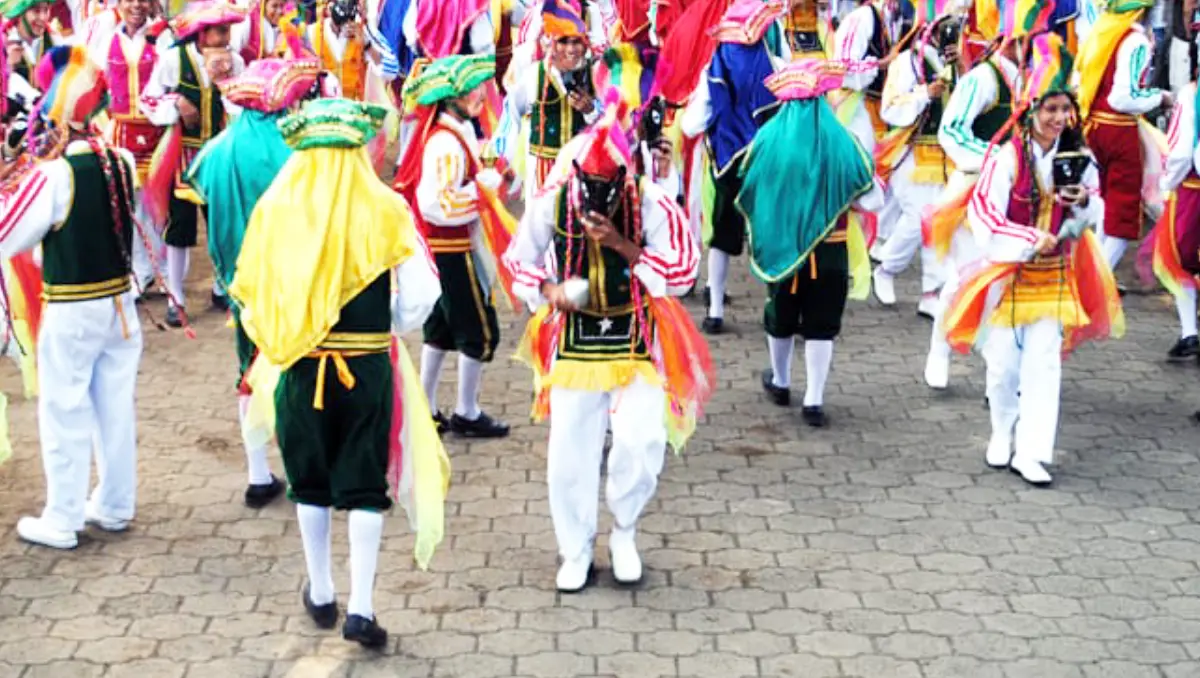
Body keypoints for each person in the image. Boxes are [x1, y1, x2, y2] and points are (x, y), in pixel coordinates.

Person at [228, 97, 446, 648]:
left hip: (300, 366)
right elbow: (423, 294)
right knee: (365, 484)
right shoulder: (386, 207)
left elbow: (249, 293)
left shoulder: (277, 208)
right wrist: (387, 322)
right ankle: (363, 609)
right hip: (367, 366)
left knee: (310, 480)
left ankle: (322, 592)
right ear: (357, 147)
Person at [504, 94, 704, 593]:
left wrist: (621, 244)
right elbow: (516, 259)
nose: (596, 194)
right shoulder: (552, 199)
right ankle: (575, 549)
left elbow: (683, 270)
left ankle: (625, 532)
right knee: (569, 450)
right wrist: (548, 291)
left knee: (641, 441)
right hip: (576, 343)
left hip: (637, 338)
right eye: (588, 184)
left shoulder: (650, 200)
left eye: (607, 185)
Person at [945, 32, 1122, 487]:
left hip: (1055, 275)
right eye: (1051, 109)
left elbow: (1095, 210)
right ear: (1031, 108)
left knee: (1044, 361)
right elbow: (983, 212)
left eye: (1065, 109)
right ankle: (1003, 430)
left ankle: (1033, 450)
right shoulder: (1007, 156)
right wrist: (1027, 239)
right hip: (1007, 272)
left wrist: (1082, 202)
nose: (1060, 118)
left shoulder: (1078, 157)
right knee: (1002, 362)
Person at [2, 46, 142, 548]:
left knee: (64, 408)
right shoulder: (121, 160)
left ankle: (63, 518)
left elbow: (6, 234)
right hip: (121, 305)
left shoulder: (54, 174)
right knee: (115, 406)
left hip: (72, 305)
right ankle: (115, 503)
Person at [185, 57, 322, 507]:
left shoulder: (218, 150)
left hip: (240, 280)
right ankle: (310, 470)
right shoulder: (297, 150)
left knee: (249, 372)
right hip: (293, 278)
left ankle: (258, 474)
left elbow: (199, 189)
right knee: (302, 369)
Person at [736, 58, 882, 428]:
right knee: (822, 322)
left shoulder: (767, 140)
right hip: (830, 250)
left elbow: (747, 187)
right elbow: (874, 200)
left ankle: (781, 381)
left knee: (780, 314)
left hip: (782, 249)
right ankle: (814, 399)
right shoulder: (842, 141)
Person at [395, 53, 513, 438]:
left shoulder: (452, 132)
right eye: (469, 90)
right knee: (477, 330)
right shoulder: (444, 142)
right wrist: (484, 186)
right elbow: (436, 203)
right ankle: (467, 410)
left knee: (441, 328)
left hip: (444, 248)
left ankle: (427, 407)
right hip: (452, 248)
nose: (480, 94)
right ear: (451, 98)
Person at [920, 5, 1018, 389]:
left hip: (1015, 193)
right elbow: (952, 131)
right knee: (964, 278)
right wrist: (998, 160)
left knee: (1007, 280)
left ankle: (1000, 364)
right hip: (973, 189)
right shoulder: (982, 78)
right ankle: (939, 349)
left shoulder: (1035, 79)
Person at [680, 0, 786, 334]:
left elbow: (691, 124)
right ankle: (777, 309)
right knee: (770, 235)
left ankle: (714, 312)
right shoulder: (777, 66)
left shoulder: (715, 65)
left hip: (727, 162)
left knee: (723, 234)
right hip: (767, 162)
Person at [140, 0, 247, 327]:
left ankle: (222, 287)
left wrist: (226, 86)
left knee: (222, 222)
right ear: (201, 35)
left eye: (227, 30)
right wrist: (177, 102)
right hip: (182, 153)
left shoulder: (236, 62)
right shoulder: (174, 59)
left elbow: (243, 105)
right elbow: (149, 97)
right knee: (180, 227)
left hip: (219, 152)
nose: (226, 37)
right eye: (219, 30)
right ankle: (177, 297)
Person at [872, 9, 962, 317]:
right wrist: (924, 93)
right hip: (912, 153)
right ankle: (886, 269)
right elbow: (890, 108)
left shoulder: (961, 63)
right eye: (946, 30)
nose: (951, 36)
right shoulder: (907, 61)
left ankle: (929, 293)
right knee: (917, 220)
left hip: (947, 157)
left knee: (938, 223)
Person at [1074, 0, 1170, 274]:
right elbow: (1123, 97)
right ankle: (1098, 283)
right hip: (1118, 130)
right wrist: (1160, 97)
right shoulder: (1135, 40)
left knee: (1107, 205)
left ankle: (1094, 275)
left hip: (1095, 129)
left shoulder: (1103, 31)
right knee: (1125, 212)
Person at [87, 0, 171, 299]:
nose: (136, 5)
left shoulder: (163, 36)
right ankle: (138, 270)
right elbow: (93, 79)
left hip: (157, 132)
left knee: (158, 203)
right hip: (121, 131)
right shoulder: (105, 37)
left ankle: (161, 270)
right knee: (129, 204)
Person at [493, 0, 600, 205]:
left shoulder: (593, 73)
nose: (570, 49)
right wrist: (501, 158)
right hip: (541, 169)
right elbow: (511, 112)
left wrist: (591, 109)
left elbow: (608, 120)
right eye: (563, 41)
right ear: (551, 41)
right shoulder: (534, 75)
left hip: (581, 168)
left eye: (576, 41)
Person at [1143, 72, 1200, 362]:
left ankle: (1190, 332)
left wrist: (1166, 184)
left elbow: (1180, 151)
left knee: (1175, 261)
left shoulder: (1191, 95)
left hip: (1192, 189)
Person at [308, 0, 369, 99]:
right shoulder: (312, 32)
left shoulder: (362, 31)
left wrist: (365, 43)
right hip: (323, 105)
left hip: (352, 106)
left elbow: (386, 69)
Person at [4, 0, 59, 83]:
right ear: (20, 13)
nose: (43, 17)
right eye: (36, 10)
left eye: (46, 10)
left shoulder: (55, 41)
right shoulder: (4, 41)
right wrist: (8, 66)